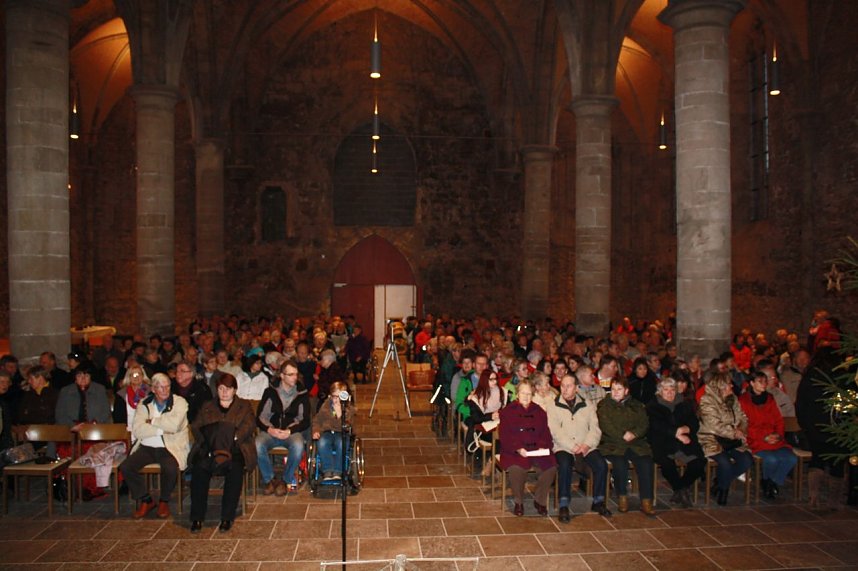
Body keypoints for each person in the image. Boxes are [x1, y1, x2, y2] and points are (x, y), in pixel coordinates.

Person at [188, 373, 257, 533]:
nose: (224, 392)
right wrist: (210, 438)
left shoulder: (244, 406)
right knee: (199, 470)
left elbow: (249, 426)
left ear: (235, 390)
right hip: (210, 449)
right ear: (216, 390)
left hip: (235, 448)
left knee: (235, 470)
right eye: (221, 388)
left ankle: (227, 516)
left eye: (229, 388)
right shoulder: (207, 406)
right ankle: (197, 517)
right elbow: (196, 426)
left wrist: (231, 437)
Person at [120, 373, 190, 519]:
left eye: (167, 386)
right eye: (160, 387)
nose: (165, 390)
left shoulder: (180, 402)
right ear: (153, 389)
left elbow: (175, 425)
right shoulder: (144, 404)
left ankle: (164, 501)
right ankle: (146, 500)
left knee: (170, 468)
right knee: (126, 467)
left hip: (170, 446)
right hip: (147, 446)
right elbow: (138, 429)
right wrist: (161, 428)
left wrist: (151, 421)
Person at [546, 374, 611, 523]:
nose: (565, 389)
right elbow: (555, 431)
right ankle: (563, 504)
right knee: (564, 464)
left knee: (601, 465)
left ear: (576, 388)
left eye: (568, 386)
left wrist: (587, 444)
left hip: (586, 445)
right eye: (562, 386)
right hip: (564, 447)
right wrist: (572, 446)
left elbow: (595, 428)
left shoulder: (587, 404)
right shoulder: (553, 405)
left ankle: (598, 501)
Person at [597, 377, 656, 516]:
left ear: (626, 391)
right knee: (620, 463)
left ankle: (646, 501)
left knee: (645, 462)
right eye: (613, 389)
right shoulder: (604, 405)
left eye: (619, 389)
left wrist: (634, 433)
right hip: (613, 443)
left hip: (635, 443)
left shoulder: (636, 405)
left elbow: (644, 423)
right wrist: (622, 434)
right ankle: (622, 498)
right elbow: (606, 425)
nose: (615, 392)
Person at [498, 379, 557, 517]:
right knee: (516, 469)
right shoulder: (508, 411)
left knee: (551, 467)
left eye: (529, 394)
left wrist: (541, 447)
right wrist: (518, 448)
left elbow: (545, 433)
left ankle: (540, 500)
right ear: (517, 394)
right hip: (514, 451)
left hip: (536, 449)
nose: (526, 396)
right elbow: (505, 436)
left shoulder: (539, 411)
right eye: (523, 393)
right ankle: (519, 502)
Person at [646, 377, 705, 508]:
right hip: (662, 441)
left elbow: (694, 422)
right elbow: (657, 426)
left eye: (672, 389)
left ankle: (680, 488)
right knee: (667, 464)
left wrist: (686, 429)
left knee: (699, 463)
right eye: (666, 390)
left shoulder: (684, 404)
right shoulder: (653, 406)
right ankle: (682, 490)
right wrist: (677, 433)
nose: (669, 393)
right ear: (660, 391)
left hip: (685, 440)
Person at [256, 360, 311, 496]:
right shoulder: (270, 392)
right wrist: (270, 429)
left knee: (298, 446)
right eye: (291, 374)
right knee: (257, 444)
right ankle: (270, 480)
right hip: (271, 430)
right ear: (282, 376)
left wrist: (289, 431)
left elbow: (304, 420)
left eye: (296, 374)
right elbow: (260, 416)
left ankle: (285, 480)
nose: (294, 378)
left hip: (291, 432)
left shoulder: (301, 393)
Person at [698, 372, 754, 506]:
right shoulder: (707, 401)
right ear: (721, 386)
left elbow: (743, 417)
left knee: (747, 460)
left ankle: (720, 483)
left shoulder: (733, 399)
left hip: (732, 440)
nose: (732, 387)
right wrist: (734, 433)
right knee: (725, 463)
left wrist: (741, 429)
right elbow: (713, 425)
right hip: (712, 439)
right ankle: (723, 490)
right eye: (729, 384)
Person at [739, 371, 797, 500]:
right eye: (760, 382)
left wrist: (777, 435)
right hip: (756, 439)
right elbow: (745, 425)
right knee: (772, 460)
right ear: (752, 383)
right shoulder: (744, 401)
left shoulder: (770, 399)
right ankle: (767, 481)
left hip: (774, 439)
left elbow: (779, 420)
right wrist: (764, 436)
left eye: (765, 381)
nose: (764, 384)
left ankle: (773, 482)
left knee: (791, 459)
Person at [312, 381, 355, 479]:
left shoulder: (349, 409)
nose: (337, 400)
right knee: (322, 442)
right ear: (330, 396)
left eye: (340, 397)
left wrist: (341, 413)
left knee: (341, 443)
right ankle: (327, 470)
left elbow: (350, 425)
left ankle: (338, 471)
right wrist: (316, 431)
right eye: (335, 397)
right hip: (326, 431)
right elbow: (317, 420)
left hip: (341, 433)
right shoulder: (326, 406)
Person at [113, 365, 150, 430]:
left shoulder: (151, 393)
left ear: (143, 376)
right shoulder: (121, 395)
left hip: (146, 429)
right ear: (128, 377)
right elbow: (118, 418)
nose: (136, 377)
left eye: (139, 374)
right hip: (127, 430)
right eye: (133, 374)